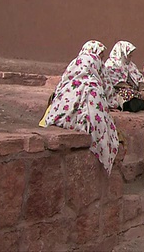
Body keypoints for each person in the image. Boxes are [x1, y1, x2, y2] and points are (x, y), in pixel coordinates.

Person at [42, 40, 122, 174]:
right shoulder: (94, 80)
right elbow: (109, 92)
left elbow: (59, 86)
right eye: (101, 55)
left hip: (60, 114)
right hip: (87, 113)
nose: (102, 59)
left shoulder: (75, 63)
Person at [104, 41, 144, 112]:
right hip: (121, 91)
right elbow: (117, 83)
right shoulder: (111, 65)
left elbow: (139, 79)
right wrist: (135, 91)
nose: (130, 57)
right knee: (128, 94)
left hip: (138, 91)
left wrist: (142, 90)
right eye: (129, 55)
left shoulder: (131, 65)